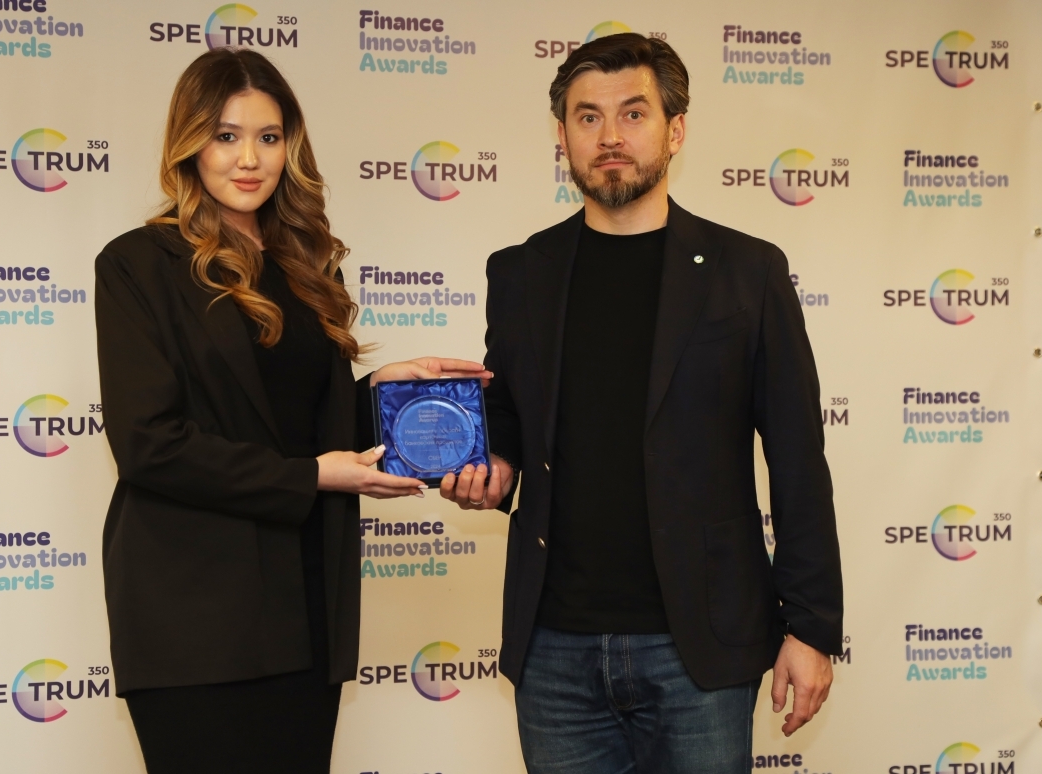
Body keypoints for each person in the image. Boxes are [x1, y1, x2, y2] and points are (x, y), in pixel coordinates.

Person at [440, 33, 843, 773]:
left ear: (675, 129)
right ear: (562, 136)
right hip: (553, 648)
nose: (610, 137)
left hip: (698, 647)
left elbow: (797, 460)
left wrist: (812, 627)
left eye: (633, 113)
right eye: (587, 117)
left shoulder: (747, 271)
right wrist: (492, 464)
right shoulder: (521, 272)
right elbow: (513, 419)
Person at [94, 48, 489, 773]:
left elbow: (300, 427)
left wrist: (384, 395)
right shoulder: (137, 264)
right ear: (189, 144)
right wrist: (311, 477)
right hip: (193, 610)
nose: (249, 158)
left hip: (306, 597)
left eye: (268, 137)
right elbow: (150, 444)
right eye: (226, 136)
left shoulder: (308, 263)